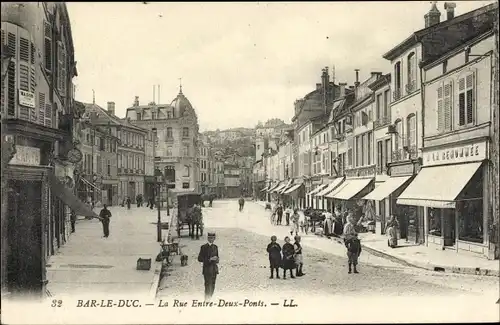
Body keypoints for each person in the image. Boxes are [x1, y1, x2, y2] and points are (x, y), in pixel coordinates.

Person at [197, 232, 219, 301]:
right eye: (210, 238)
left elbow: (217, 257)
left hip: (214, 270)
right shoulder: (203, 247)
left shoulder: (215, 247)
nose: (211, 239)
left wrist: (217, 259)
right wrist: (209, 259)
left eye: (212, 238)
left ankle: (210, 298)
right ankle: (207, 300)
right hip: (207, 270)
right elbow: (199, 259)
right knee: (207, 286)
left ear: (214, 238)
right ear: (207, 238)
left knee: (212, 286)